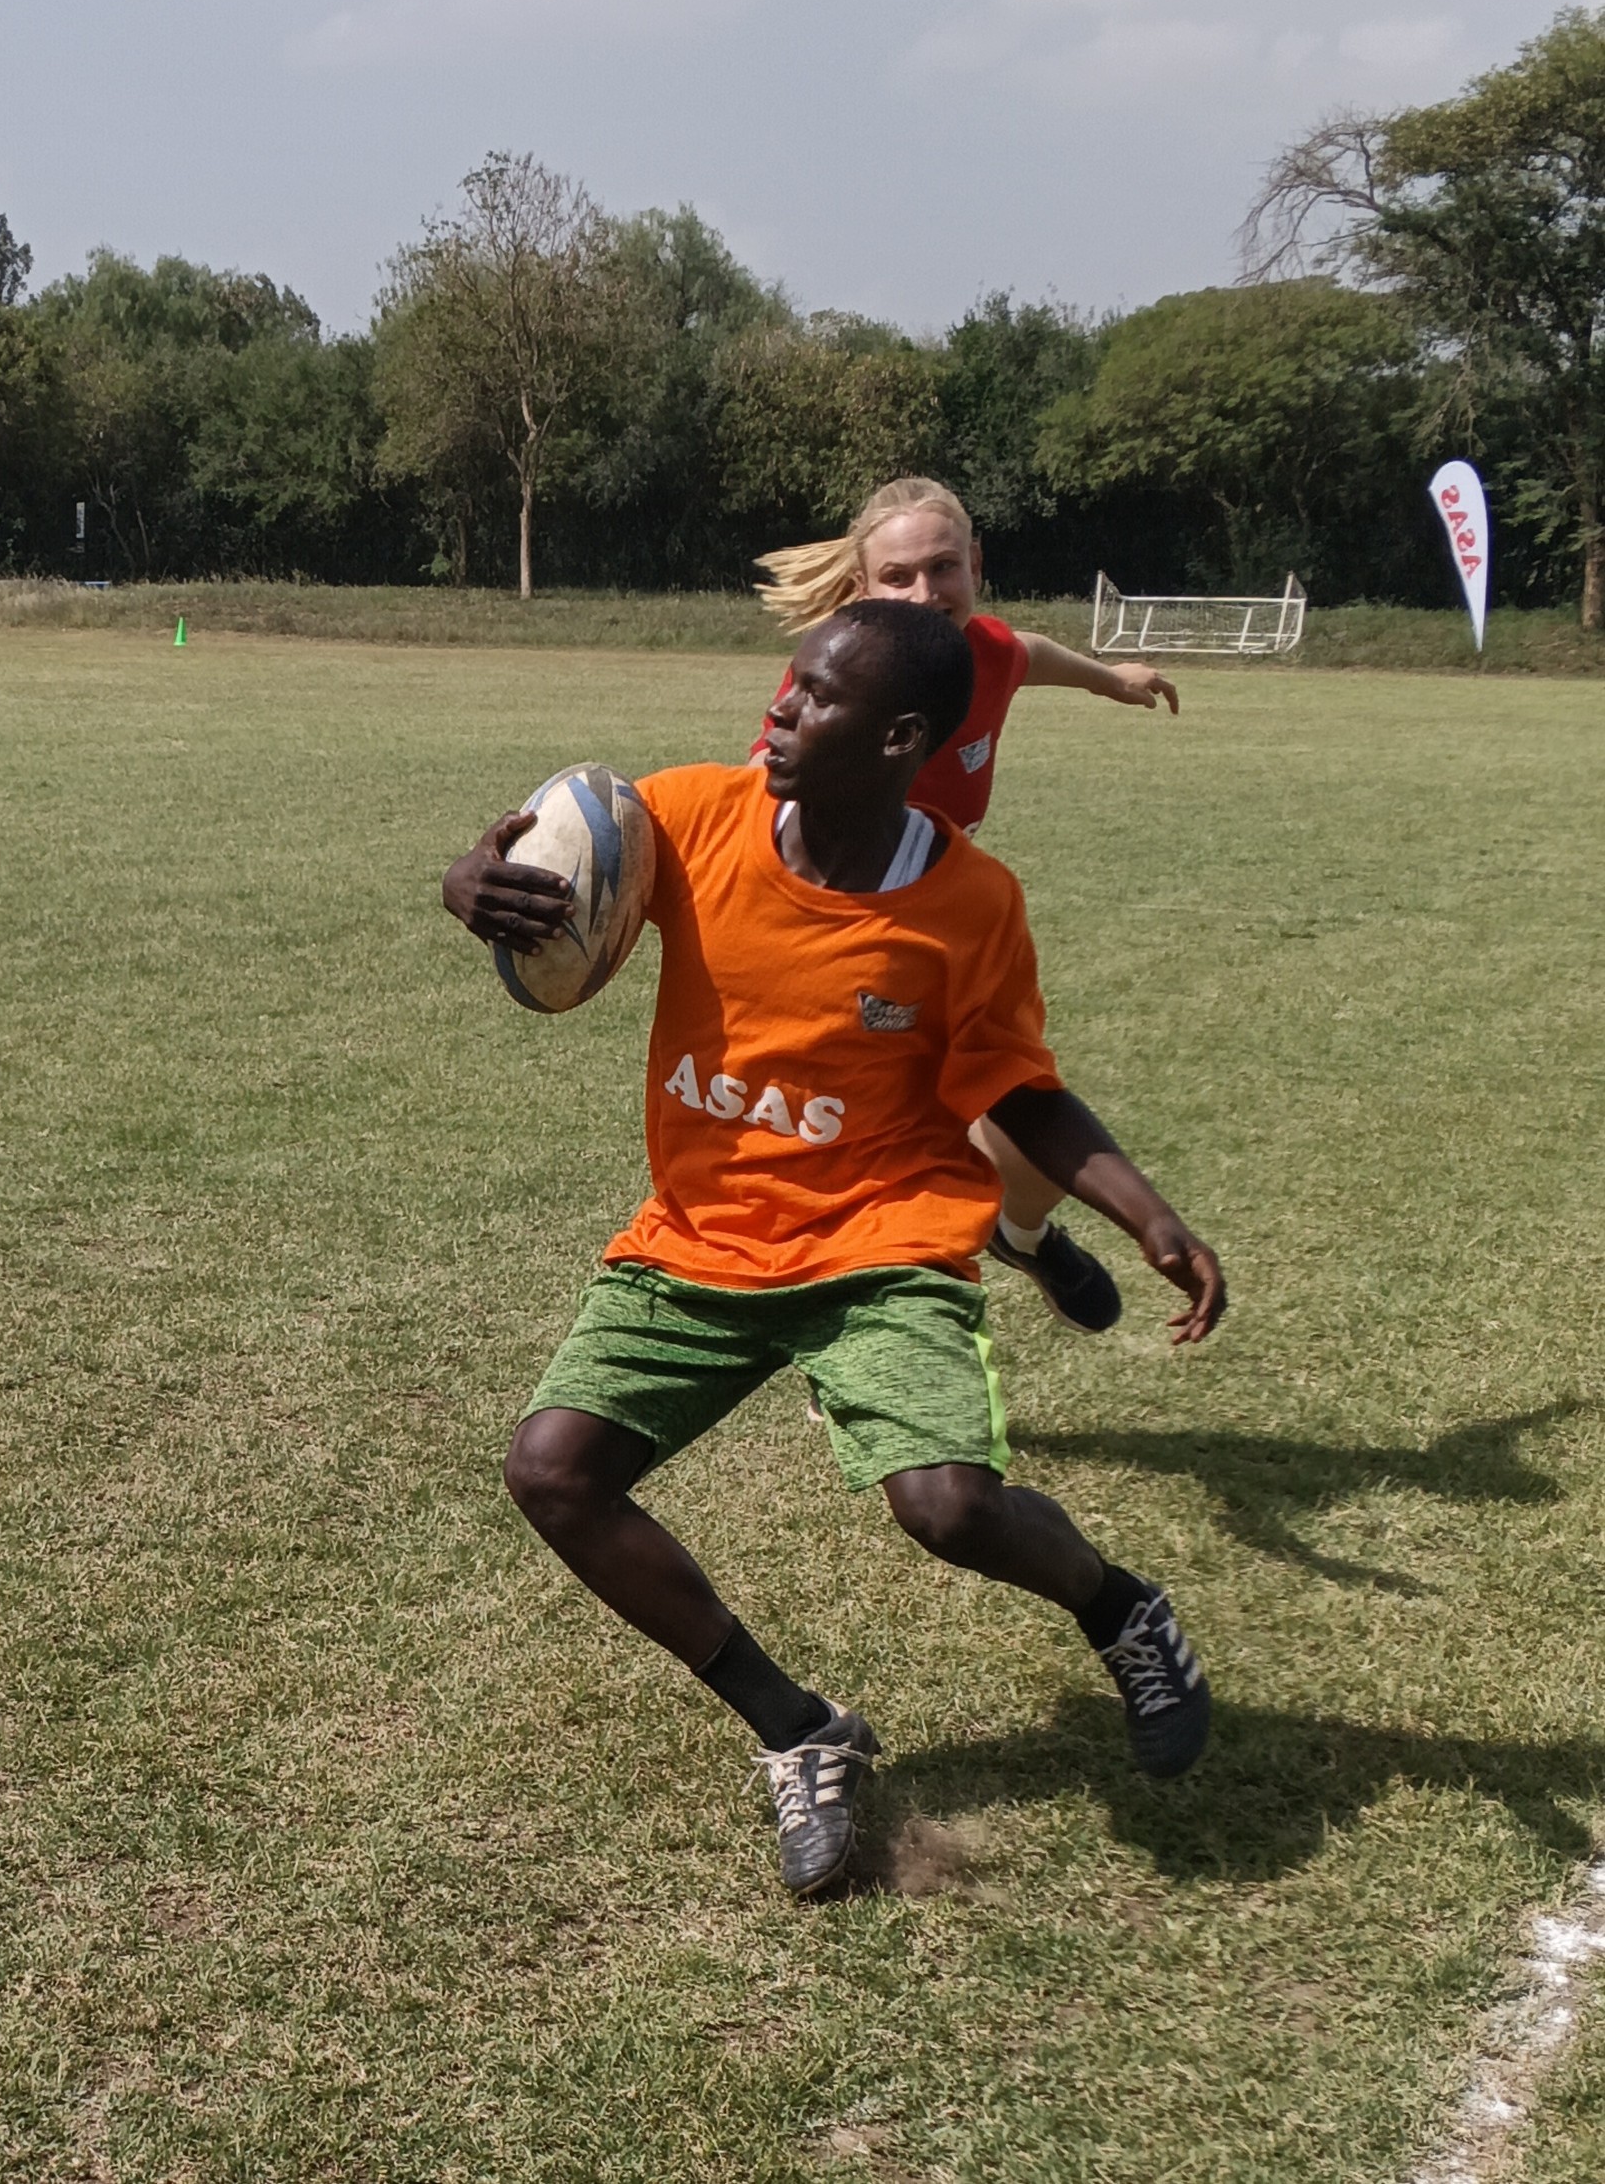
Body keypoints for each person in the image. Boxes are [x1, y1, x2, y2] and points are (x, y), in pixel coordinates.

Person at [443, 599, 1225, 1898]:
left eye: (815, 697)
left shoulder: (969, 905)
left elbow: (1020, 1093)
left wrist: (1145, 1212)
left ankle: (1122, 1610)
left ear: (901, 736)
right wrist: (470, 881)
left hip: (883, 1242)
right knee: (553, 1471)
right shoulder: (691, 816)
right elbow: (548, 843)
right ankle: (800, 1728)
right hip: (702, 1237)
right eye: (789, 682)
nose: (781, 709)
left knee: (950, 1505)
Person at [745, 477, 1180, 1337]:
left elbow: (1035, 650)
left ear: (975, 564)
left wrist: (1113, 680)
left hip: (950, 936)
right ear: (863, 589)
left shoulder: (989, 653)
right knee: (878, 1158)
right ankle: (861, 1340)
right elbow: (753, 794)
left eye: (943, 567)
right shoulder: (834, 683)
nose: (924, 593)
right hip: (847, 950)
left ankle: (1021, 1235)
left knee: (1029, 1128)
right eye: (897, 576)